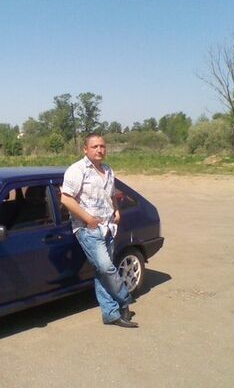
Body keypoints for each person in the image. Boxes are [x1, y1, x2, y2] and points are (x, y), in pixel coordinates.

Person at [60, 133, 138, 328]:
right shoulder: (77, 170)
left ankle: (110, 314)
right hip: (88, 228)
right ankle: (125, 299)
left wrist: (116, 210)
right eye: (94, 146)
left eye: (102, 146)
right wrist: (88, 219)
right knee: (106, 267)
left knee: (101, 272)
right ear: (85, 149)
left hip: (109, 227)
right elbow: (66, 198)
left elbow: (111, 195)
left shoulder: (108, 170)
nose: (99, 150)